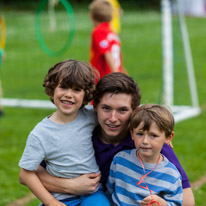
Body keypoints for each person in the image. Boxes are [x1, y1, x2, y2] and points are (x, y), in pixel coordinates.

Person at [24, 72, 194, 206]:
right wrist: (71, 186)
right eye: (106, 108)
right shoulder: (79, 132)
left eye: (122, 110)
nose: (113, 118)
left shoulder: (147, 142)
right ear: (94, 106)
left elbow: (187, 200)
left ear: (135, 110)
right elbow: (29, 174)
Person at [18, 59, 110, 206]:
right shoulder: (40, 133)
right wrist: (50, 202)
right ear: (53, 89)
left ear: (86, 94)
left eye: (76, 90)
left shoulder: (90, 117)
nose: (68, 94)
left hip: (92, 193)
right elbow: (25, 174)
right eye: (63, 87)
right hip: (60, 198)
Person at [107, 104, 183, 206]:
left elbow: (176, 203)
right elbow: (109, 193)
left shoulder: (171, 174)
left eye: (153, 135)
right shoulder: (120, 160)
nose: (145, 141)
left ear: (168, 137)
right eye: (140, 134)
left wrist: (163, 204)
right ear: (132, 134)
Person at [89, 0, 127, 80]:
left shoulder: (99, 31)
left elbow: (108, 54)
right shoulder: (112, 32)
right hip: (114, 76)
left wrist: (117, 78)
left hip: (105, 80)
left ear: (91, 16)